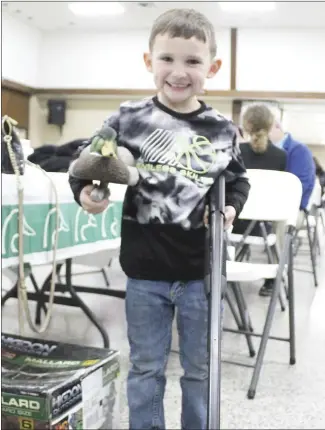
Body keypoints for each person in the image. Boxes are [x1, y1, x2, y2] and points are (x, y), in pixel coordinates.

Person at [69, 8, 250, 430]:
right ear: (149, 62)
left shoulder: (222, 129)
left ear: (213, 68)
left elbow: (238, 180)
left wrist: (231, 207)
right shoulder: (127, 118)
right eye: (167, 59)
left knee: (200, 370)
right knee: (146, 368)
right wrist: (86, 194)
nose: (178, 72)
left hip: (201, 272)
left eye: (192, 61)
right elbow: (83, 167)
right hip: (144, 271)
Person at [232, 103, 287, 296]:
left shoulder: (235, 151)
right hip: (264, 229)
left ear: (245, 126)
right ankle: (271, 282)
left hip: (233, 224)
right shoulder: (281, 156)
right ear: (271, 125)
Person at [269, 117, 316, 211]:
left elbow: (298, 187)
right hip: (266, 206)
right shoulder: (265, 150)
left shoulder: (299, 150)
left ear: (277, 127)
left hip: (291, 209)